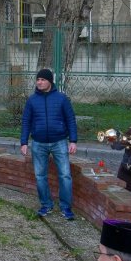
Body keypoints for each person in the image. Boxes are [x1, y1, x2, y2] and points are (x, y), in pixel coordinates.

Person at [20, 68, 78, 220]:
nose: (39, 82)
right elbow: (26, 122)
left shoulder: (62, 99)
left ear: (50, 81)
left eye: (43, 79)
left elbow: (71, 119)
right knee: (40, 176)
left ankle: (66, 207)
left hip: (59, 142)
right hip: (38, 143)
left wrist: (73, 140)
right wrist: (24, 142)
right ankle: (46, 204)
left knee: (65, 175)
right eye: (38, 79)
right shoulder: (32, 100)